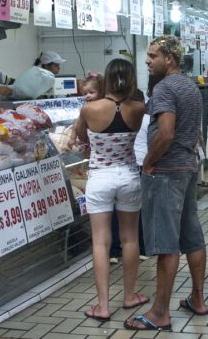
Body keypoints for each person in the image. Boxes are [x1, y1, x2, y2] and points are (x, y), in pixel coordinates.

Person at [125, 36, 206, 331]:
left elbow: (166, 133)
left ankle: (160, 312)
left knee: (166, 245)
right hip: (186, 168)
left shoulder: (164, 88)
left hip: (166, 172)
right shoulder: (189, 87)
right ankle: (197, 299)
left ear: (169, 58)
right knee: (193, 238)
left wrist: (148, 163)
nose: (147, 61)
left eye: (152, 55)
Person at [74, 58, 148, 322]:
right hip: (128, 175)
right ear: (130, 81)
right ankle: (130, 296)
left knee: (101, 242)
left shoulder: (89, 109)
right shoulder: (138, 108)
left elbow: (82, 138)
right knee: (130, 239)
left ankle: (103, 306)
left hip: (100, 178)